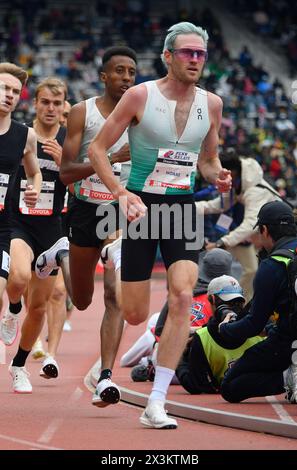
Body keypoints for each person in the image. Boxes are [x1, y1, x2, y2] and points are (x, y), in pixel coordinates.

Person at [88, 22, 232, 429]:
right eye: (187, 52)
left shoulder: (213, 104)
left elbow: (207, 160)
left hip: (181, 208)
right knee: (134, 314)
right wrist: (120, 192)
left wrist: (217, 175)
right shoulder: (139, 95)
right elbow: (99, 150)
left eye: (200, 54)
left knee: (184, 294)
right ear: (168, 56)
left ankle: (156, 401)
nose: (195, 60)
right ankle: (118, 252)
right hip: (141, 207)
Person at [35, 47, 138, 407]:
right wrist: (107, 159)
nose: (127, 78)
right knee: (81, 300)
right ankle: (60, 253)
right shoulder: (82, 113)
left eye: (132, 72)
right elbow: (65, 174)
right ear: (104, 76)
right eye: (120, 71)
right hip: (83, 209)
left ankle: (106, 378)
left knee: (115, 295)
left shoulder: (140, 116)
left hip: (120, 210)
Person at [2, 77, 67, 393]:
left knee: (40, 306)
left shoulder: (69, 140)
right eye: (45, 102)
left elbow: (81, 185)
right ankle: (13, 309)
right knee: (17, 279)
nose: (51, 108)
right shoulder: (22, 137)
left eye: (57, 103)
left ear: (63, 106)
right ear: (35, 104)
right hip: (19, 224)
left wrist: (63, 162)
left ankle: (19, 367)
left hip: (51, 229)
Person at [219, 201, 297, 406]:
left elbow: (254, 324)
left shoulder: (271, 266)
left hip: (288, 342)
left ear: (264, 229)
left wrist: (226, 329)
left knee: (230, 385)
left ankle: (289, 377)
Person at [122, 249, 234, 377]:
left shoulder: (185, 289)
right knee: (156, 320)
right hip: (207, 364)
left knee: (153, 330)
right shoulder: (231, 298)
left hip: (178, 363)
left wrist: (183, 331)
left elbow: (160, 330)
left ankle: (149, 362)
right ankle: (150, 362)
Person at [197, 148, 282, 301]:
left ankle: (240, 300)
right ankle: (239, 301)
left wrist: (221, 241)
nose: (220, 181)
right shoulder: (234, 183)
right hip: (242, 234)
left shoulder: (253, 191)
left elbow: (249, 222)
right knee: (249, 270)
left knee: (260, 271)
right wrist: (190, 206)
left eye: (223, 176)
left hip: (273, 233)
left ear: (232, 173)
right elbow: (221, 206)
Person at [0, 62, 41, 339]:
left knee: (14, 282)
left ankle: (13, 309)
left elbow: (35, 172)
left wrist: (34, 189)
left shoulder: (25, 135)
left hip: (2, 226)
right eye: (4, 87)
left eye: (15, 91)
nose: (9, 94)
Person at [176, 275, 263, 394]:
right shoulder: (260, 330)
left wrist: (179, 359)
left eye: (236, 302)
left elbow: (194, 385)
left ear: (211, 299)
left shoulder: (202, 337)